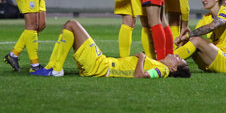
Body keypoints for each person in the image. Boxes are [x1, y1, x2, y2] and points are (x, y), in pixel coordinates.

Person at [32, 20, 190, 78]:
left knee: (72, 25)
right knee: (70, 26)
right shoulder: (160, 66)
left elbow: (139, 76)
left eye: (178, 58)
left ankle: (54, 69)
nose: (174, 54)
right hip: (102, 64)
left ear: (174, 68)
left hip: (101, 66)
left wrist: (141, 57)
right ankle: (53, 68)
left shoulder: (163, 71)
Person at [174, 0, 226, 73]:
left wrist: (187, 35)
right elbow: (192, 37)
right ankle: (170, 59)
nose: (203, 0)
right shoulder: (207, 17)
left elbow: (212, 26)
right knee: (189, 39)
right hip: (212, 61)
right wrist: (181, 39)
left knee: (196, 39)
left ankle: (167, 62)